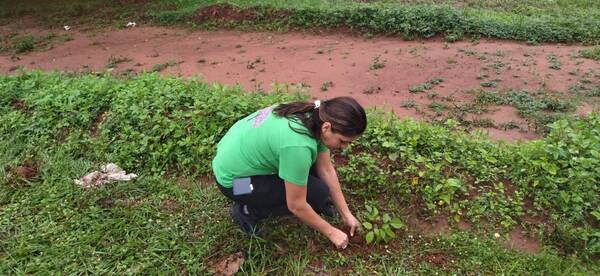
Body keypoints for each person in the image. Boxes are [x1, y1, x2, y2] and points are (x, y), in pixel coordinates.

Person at [212, 96, 367, 249]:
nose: (344, 147)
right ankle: (247, 211)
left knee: (316, 186)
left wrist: (346, 214)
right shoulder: (297, 146)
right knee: (315, 194)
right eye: (343, 141)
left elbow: (325, 169)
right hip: (234, 184)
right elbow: (296, 205)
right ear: (327, 127)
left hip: (233, 156)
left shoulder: (313, 115)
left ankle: (317, 203)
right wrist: (332, 233)